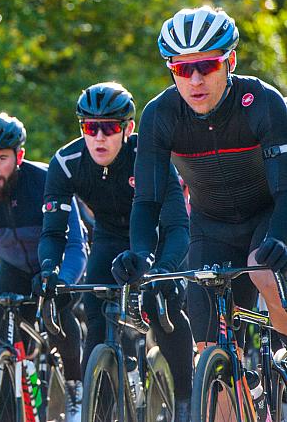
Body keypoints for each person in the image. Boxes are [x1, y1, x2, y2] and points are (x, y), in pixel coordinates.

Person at [113, 5, 287, 379]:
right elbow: (148, 200)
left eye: (206, 66)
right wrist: (141, 253)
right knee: (208, 350)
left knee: (263, 270)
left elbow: (286, 187)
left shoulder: (263, 103)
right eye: (181, 69)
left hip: (269, 215)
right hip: (211, 225)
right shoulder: (160, 114)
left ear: (230, 61)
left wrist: (280, 237)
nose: (194, 80)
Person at [39, 82, 192, 420]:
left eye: (109, 128)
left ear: (128, 129)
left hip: (159, 237)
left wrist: (161, 269)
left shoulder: (148, 157)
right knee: (95, 314)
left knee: (161, 303)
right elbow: (53, 231)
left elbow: (179, 227)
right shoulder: (66, 163)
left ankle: (185, 402)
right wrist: (49, 270)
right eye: (90, 128)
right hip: (109, 238)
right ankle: (100, 405)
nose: (99, 137)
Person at [0, 112, 88, 415]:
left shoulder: (48, 181)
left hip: (57, 263)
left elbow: (76, 245)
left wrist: (63, 279)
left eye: (1, 159)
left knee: (60, 319)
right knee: (4, 335)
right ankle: (17, 388)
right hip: (13, 269)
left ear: (19, 155)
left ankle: (76, 390)